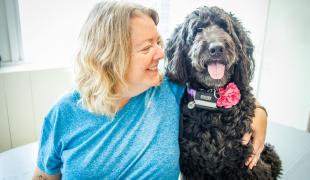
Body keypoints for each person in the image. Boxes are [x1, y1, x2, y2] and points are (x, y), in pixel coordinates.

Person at [32, 1, 268, 179]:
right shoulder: (63, 113)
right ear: (110, 57)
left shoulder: (170, 91)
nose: (161, 54)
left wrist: (260, 113)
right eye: (147, 48)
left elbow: (224, 93)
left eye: (158, 42)